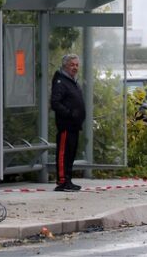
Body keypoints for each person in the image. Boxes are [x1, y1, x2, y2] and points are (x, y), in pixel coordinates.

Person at [50, 54, 86, 192]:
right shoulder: (60, 81)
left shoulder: (71, 81)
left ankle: (68, 180)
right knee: (64, 153)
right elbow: (55, 103)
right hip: (66, 125)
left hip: (74, 125)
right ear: (65, 65)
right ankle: (62, 181)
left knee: (71, 153)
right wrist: (70, 113)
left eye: (77, 65)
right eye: (72, 65)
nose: (75, 67)